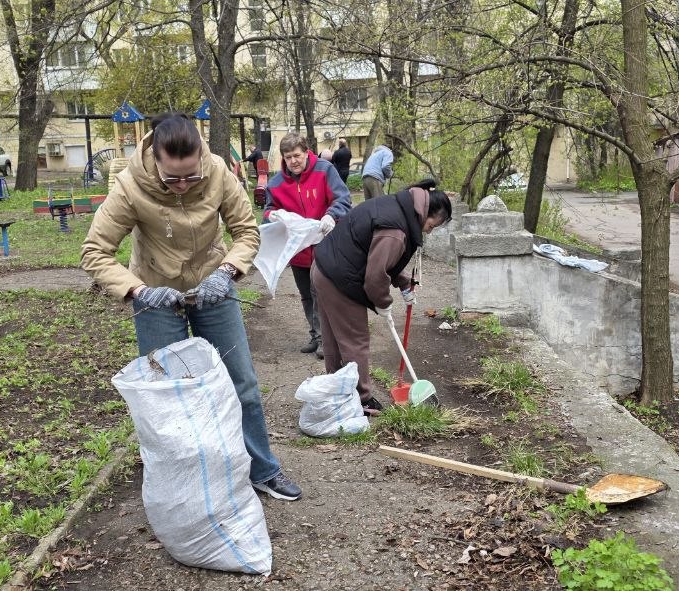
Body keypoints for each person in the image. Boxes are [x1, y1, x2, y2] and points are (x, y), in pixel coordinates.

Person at [81, 113, 302, 501]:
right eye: (172, 179)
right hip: (156, 296)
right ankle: (185, 480)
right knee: (168, 394)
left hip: (213, 290)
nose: (183, 184)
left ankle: (261, 469)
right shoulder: (131, 185)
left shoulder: (217, 172)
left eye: (191, 176)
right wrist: (138, 291)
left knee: (242, 383)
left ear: (201, 156)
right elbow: (95, 252)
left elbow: (247, 232)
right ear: (156, 161)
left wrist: (228, 271)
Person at [312, 179, 452, 413]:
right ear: (428, 211)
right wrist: (383, 302)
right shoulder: (396, 231)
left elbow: (377, 255)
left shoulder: (398, 206)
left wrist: (404, 282)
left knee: (334, 338)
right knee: (354, 341)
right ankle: (361, 400)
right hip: (340, 279)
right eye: (434, 224)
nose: (431, 229)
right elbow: (375, 276)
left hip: (324, 267)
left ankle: (336, 390)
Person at [263, 132, 352, 360]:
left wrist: (331, 216)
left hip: (325, 243)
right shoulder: (276, 183)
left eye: (297, 156)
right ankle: (315, 336)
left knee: (320, 292)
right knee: (306, 295)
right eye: (288, 157)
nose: (293, 161)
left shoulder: (324, 170)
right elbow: (267, 211)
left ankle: (326, 340)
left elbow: (343, 198)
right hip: (297, 249)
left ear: (306, 152)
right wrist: (275, 216)